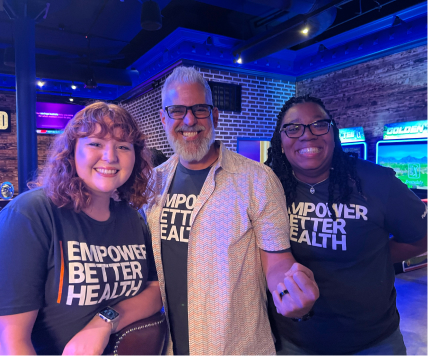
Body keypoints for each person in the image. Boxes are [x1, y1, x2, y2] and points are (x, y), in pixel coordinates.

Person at [144, 66, 319, 355]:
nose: (189, 120)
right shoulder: (152, 183)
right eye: (177, 110)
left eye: (200, 109)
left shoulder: (257, 179)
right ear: (164, 118)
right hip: (167, 346)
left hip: (236, 347)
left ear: (214, 115)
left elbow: (277, 261)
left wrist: (292, 290)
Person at [265, 94, 427, 355]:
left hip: (373, 343)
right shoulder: (269, 188)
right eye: (293, 128)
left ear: (333, 134)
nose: (307, 135)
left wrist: (376, 255)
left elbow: (422, 236)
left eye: (319, 124)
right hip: (294, 342)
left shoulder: (376, 182)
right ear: (280, 142)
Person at [0, 102, 162, 355]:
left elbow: (155, 290)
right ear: (72, 151)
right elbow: (11, 342)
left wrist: (103, 322)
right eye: (95, 143)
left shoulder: (133, 218)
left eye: (122, 146)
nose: (110, 156)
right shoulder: (30, 214)